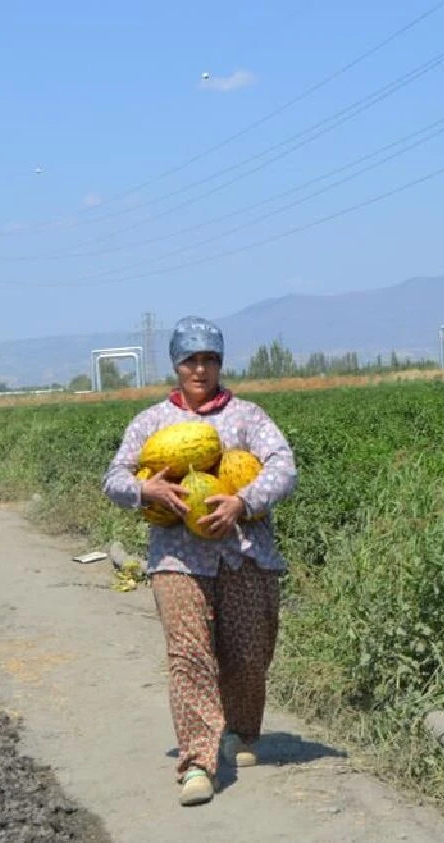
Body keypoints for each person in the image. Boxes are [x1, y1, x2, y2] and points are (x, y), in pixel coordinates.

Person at [102, 315, 298, 806]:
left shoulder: (248, 417)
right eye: (191, 359)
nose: (200, 369)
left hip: (246, 553)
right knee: (189, 657)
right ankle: (197, 762)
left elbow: (284, 466)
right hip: (177, 556)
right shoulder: (151, 423)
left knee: (249, 655)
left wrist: (243, 502)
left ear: (220, 364)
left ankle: (241, 731)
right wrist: (144, 487)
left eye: (209, 359)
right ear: (175, 364)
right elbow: (113, 478)